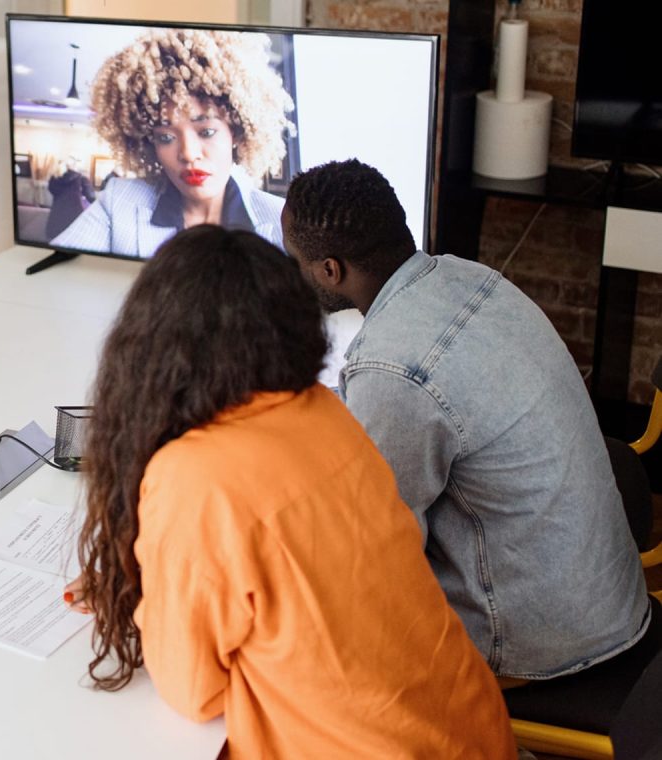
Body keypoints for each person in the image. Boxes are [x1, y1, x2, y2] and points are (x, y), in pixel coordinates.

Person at [65, 225, 514, 756]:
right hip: (471, 729)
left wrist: (155, 592)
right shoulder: (325, 412)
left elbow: (194, 692)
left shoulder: (192, 475)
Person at [283, 158, 654, 682]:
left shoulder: (393, 368)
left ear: (329, 271)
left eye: (293, 259)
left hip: (543, 642)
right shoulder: (468, 279)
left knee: (309, 597)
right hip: (600, 592)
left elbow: (378, 551)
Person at [49, 29, 292, 257]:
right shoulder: (118, 202)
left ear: (237, 132)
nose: (188, 153)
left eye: (206, 131)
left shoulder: (282, 221)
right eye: (166, 137)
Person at [45, 157, 96, 240]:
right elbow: (92, 197)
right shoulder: (82, 179)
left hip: (55, 221)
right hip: (75, 222)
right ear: (75, 165)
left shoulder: (54, 180)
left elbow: (52, 191)